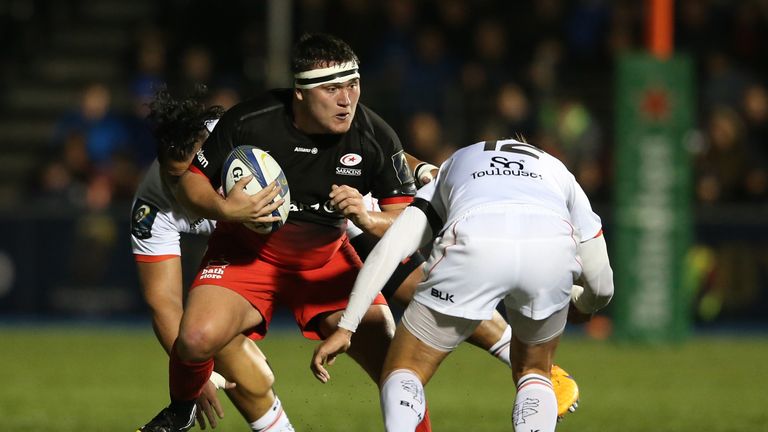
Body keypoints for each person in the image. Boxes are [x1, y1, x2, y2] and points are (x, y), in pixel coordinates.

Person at [137, 33, 432, 432]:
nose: (347, 99)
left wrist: (367, 219)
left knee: (398, 372)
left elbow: (407, 221)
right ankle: (182, 408)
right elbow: (192, 181)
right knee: (194, 338)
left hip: (325, 259)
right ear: (300, 93)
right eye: (332, 89)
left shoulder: (373, 136)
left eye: (353, 85)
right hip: (248, 255)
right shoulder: (249, 122)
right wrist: (226, 208)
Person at [312, 138, 614, 432]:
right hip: (550, 254)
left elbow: (391, 249)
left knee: (406, 369)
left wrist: (347, 326)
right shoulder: (558, 171)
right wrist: (584, 306)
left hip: (475, 245)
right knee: (534, 373)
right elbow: (602, 285)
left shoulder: (456, 163)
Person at [131, 86, 292, 431]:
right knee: (231, 360)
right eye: (173, 177)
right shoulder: (152, 201)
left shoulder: (250, 142)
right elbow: (164, 301)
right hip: (239, 252)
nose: (180, 188)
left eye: (189, 173)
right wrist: (193, 374)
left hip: (303, 233)